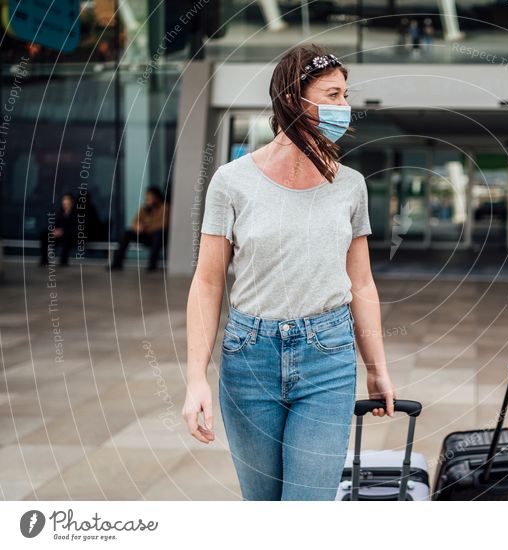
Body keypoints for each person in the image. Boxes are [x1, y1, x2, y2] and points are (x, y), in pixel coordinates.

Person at [182, 45, 396, 501]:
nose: (345, 107)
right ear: (294, 100)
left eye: (345, 94)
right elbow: (207, 281)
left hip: (328, 355)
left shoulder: (350, 185)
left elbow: (361, 283)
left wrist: (376, 368)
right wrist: (195, 377)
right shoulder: (232, 181)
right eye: (332, 95)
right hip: (248, 357)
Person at [107, 186, 169, 272]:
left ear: (156, 198)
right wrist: (138, 227)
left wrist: (146, 226)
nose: (147, 200)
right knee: (127, 233)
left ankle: (152, 265)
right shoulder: (143, 209)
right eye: (147, 198)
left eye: (150, 197)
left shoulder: (164, 208)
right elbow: (135, 222)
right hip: (145, 236)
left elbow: (163, 224)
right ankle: (117, 263)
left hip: (159, 238)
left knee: (158, 234)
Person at [39, 192, 79, 267]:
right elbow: (56, 225)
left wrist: (63, 231)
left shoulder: (76, 213)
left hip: (71, 237)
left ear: (72, 202)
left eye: (67, 200)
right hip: (60, 236)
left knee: (67, 236)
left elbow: (76, 228)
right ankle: (44, 260)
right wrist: (55, 231)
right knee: (44, 235)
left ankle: (63, 261)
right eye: (64, 200)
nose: (65, 202)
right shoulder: (60, 213)